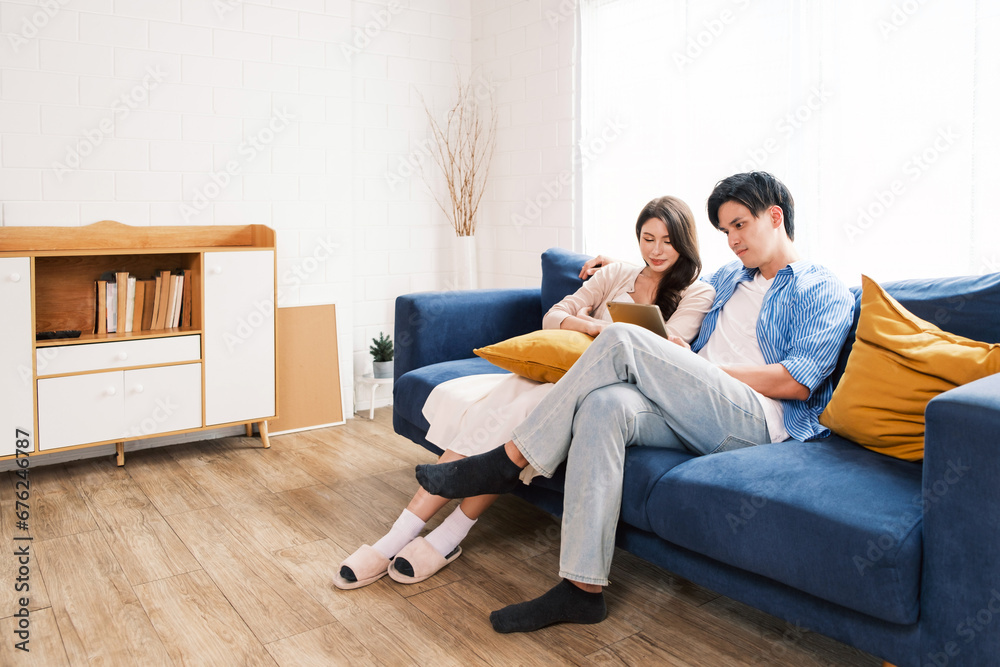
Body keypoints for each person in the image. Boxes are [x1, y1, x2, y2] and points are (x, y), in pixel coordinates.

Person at [414, 171, 855, 633]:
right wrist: (620, 266)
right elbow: (673, 273)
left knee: (624, 337)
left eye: (740, 225)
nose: (732, 240)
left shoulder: (821, 287)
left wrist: (704, 371)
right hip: (695, 404)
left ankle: (510, 457)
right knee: (604, 405)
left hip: (756, 420)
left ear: (775, 216)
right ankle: (581, 591)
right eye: (725, 231)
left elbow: (797, 382)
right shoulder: (728, 279)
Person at [334, 195, 716, 590]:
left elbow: (666, 355)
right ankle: (397, 537)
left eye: (667, 241)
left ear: (684, 242)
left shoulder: (696, 292)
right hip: (558, 370)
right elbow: (554, 314)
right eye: (647, 238)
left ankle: (447, 537)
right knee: (499, 404)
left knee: (528, 406)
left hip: (610, 387)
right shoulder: (617, 273)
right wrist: (591, 327)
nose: (655, 250)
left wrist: (598, 327)